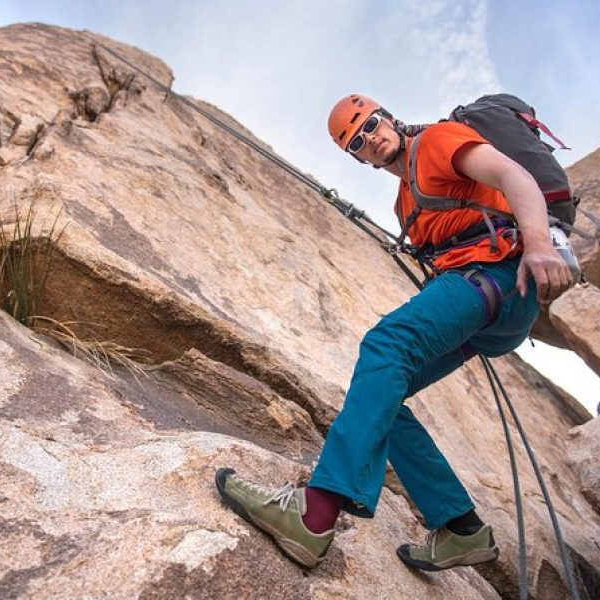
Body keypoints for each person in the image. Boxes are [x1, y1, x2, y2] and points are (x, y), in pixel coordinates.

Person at [214, 94, 573, 570]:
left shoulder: (438, 142)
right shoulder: (404, 201)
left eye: (372, 125)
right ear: (357, 158)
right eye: (358, 141)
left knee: (386, 345)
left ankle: (315, 514)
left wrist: (540, 245)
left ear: (388, 117)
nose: (372, 139)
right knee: (386, 392)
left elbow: (514, 176)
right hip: (491, 306)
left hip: (500, 274)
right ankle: (459, 528)